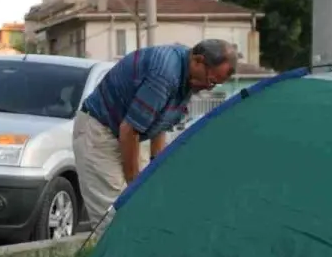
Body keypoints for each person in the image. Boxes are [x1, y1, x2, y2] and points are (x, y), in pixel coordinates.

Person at [73, 40, 237, 228]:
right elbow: (129, 130)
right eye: (212, 81)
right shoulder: (166, 74)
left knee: (144, 211)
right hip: (100, 132)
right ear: (198, 60)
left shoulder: (188, 78)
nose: (209, 87)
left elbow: (159, 124)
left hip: (127, 135)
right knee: (116, 220)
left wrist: (154, 169)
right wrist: (135, 185)